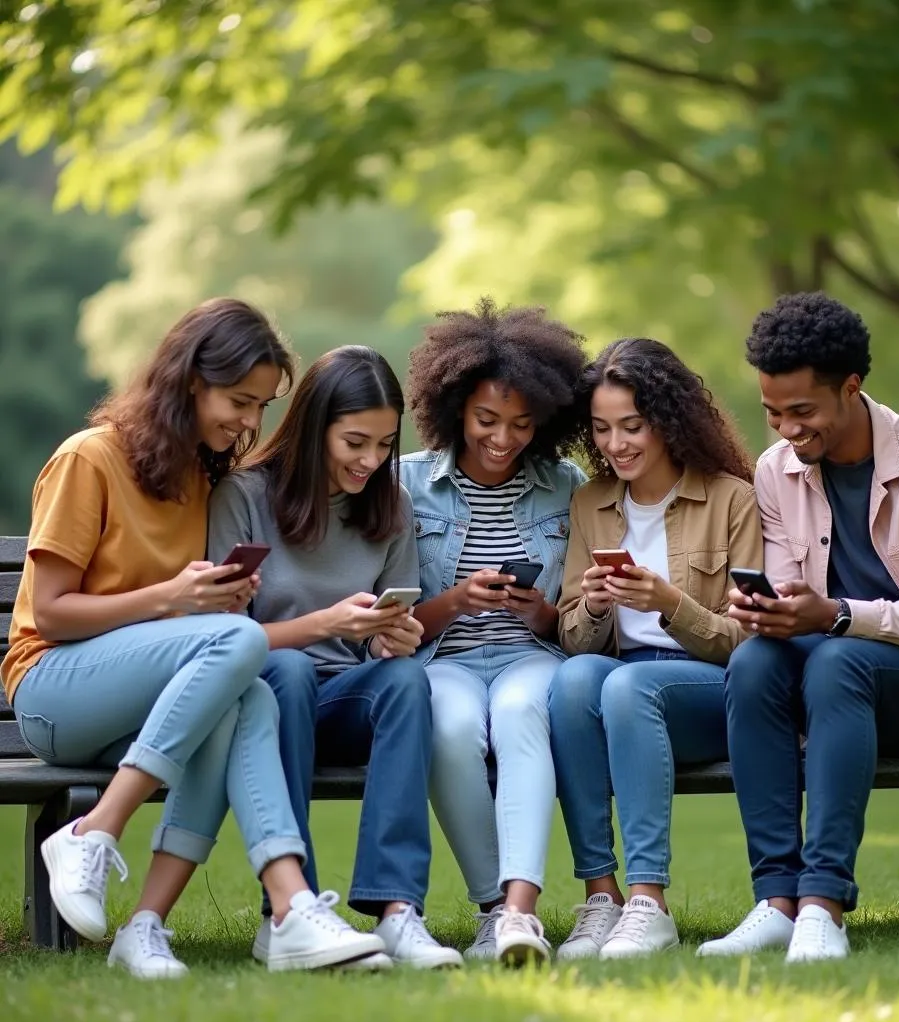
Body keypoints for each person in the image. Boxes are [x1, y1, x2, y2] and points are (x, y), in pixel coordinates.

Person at [2, 298, 386, 978]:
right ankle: (93, 831)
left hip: (142, 703)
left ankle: (188, 920)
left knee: (250, 704)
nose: (249, 422)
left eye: (261, 406)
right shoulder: (87, 459)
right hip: (53, 695)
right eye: (239, 401)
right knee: (239, 646)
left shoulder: (198, 478)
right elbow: (53, 614)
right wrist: (175, 598)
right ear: (188, 381)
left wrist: (212, 598)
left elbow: (181, 633)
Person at [696, 292, 899, 963]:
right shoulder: (777, 470)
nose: (786, 429)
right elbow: (795, 597)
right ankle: (777, 900)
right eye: (772, 412)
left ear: (851, 388)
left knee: (841, 659)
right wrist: (770, 614)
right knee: (754, 663)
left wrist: (835, 615)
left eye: (802, 411)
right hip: (836, 682)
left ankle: (824, 903)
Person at [208, 346, 463, 970]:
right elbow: (219, 640)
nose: (372, 461)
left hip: (344, 700)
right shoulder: (244, 497)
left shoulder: (390, 505)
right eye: (355, 442)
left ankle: (399, 911)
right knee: (290, 673)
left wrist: (387, 637)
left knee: (405, 678)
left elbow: (382, 630)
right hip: (263, 703)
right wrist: (325, 624)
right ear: (314, 425)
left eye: (384, 443)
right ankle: (290, 913)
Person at [548, 337, 764, 960]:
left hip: (711, 692)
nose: (617, 444)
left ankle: (649, 901)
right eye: (602, 429)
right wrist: (592, 604)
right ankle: (602, 896)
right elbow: (570, 637)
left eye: (632, 427)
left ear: (667, 420)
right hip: (624, 691)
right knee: (572, 682)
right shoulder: (591, 502)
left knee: (622, 684)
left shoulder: (731, 499)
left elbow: (748, 641)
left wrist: (669, 602)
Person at [399, 299, 588, 965]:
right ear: (454, 410)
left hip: (530, 655)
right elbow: (396, 626)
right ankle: (489, 911)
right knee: (448, 727)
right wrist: (454, 600)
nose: (503, 437)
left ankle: (520, 913)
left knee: (517, 716)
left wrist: (539, 612)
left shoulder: (567, 486)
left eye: (521, 423)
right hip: (443, 656)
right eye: (486, 420)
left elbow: (572, 620)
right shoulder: (407, 486)